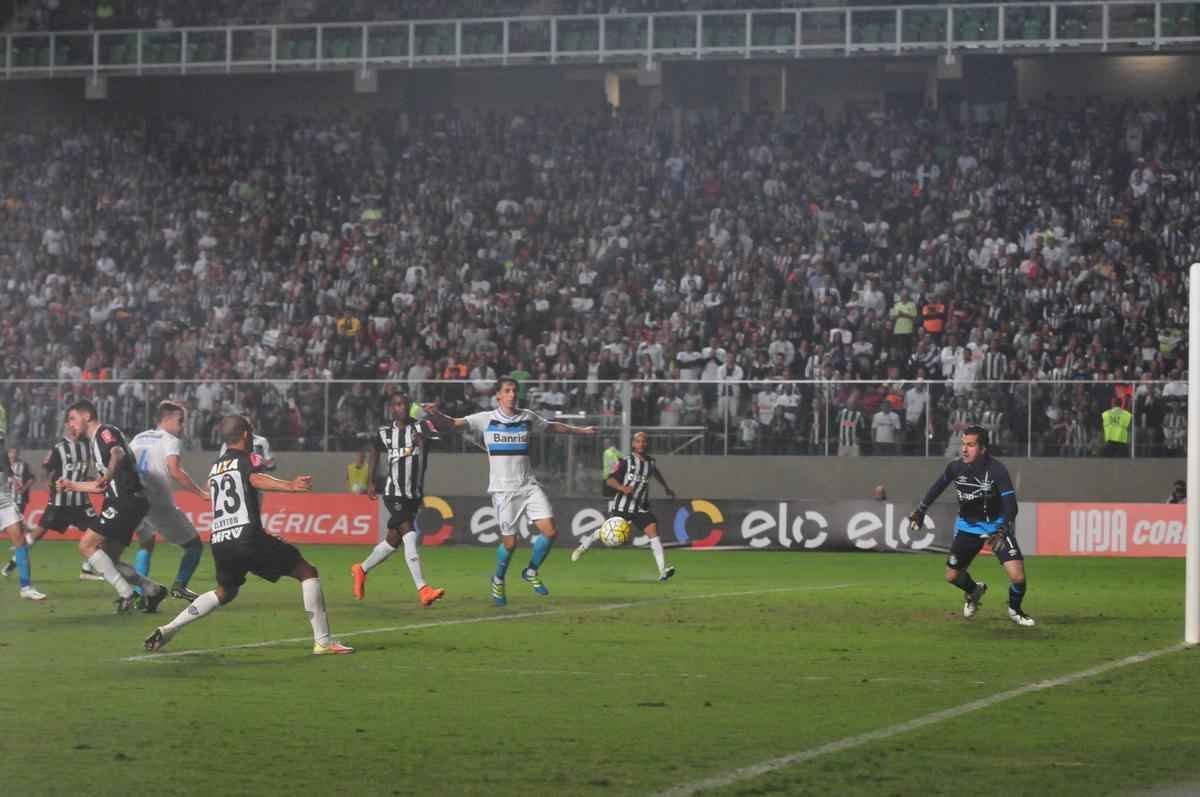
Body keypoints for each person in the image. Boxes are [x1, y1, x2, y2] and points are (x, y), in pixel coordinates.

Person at [144, 415, 353, 655]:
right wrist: (290, 486)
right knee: (307, 572)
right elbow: (255, 478)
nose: (253, 436)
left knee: (225, 592)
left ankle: (170, 627)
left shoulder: (215, 467)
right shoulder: (248, 458)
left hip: (220, 541)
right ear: (245, 434)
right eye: (251, 432)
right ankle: (324, 642)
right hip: (246, 536)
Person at [423, 377, 596, 606]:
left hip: (528, 486)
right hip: (503, 491)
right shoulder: (485, 419)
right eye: (507, 391)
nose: (512, 394)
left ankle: (531, 572)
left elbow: (552, 426)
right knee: (510, 544)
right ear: (498, 395)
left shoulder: (527, 417)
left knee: (551, 532)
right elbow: (452, 423)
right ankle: (498, 579)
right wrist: (435, 414)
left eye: (514, 390)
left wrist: (581, 430)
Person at [907, 425, 1035, 627]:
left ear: (983, 449)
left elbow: (1011, 506)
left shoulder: (997, 470)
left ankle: (1015, 610)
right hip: (968, 527)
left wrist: (1001, 530)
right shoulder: (955, 468)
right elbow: (937, 488)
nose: (964, 449)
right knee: (952, 576)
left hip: (995, 527)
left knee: (1018, 577)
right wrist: (921, 510)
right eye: (963, 444)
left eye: (971, 445)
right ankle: (974, 590)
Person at [59, 400, 168, 614]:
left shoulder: (104, 432)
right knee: (108, 560)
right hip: (125, 501)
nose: (70, 425)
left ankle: (126, 593)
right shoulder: (94, 443)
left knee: (86, 545)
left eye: (72, 419)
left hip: (124, 501)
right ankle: (152, 589)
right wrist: (72, 485)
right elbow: (100, 487)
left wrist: (107, 474)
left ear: (87, 416)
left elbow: (116, 452)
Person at [351, 392, 445, 607]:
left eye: (404, 404)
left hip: (414, 494)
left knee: (393, 540)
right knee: (409, 534)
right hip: (394, 492)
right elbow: (374, 451)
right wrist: (372, 481)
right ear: (391, 408)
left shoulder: (421, 427)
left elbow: (440, 436)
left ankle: (361, 569)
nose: (400, 408)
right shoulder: (384, 432)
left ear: (409, 406)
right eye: (396, 405)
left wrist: (433, 416)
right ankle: (423, 589)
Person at [128, 401, 209, 603]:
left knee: (146, 544)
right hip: (159, 503)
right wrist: (200, 493)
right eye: (180, 421)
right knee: (194, 546)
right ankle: (180, 586)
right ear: (167, 419)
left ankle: (138, 593)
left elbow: (125, 463)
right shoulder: (170, 439)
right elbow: (174, 470)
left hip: (135, 501)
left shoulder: (139, 437)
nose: (182, 426)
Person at [571, 430, 678, 581]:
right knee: (607, 531)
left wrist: (666, 488)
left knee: (653, 533)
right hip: (623, 505)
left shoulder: (650, 462)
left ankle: (663, 571)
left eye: (644, 441)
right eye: (638, 441)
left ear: (647, 443)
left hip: (641, 506)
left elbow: (655, 473)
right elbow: (609, 480)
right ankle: (583, 546)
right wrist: (622, 488)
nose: (641, 444)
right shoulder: (626, 461)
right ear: (634, 444)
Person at [2, 426, 97, 580]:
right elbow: (45, 471)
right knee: (37, 534)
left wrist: (91, 479)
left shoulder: (87, 445)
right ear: (66, 427)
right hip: (60, 501)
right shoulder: (59, 448)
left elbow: (85, 470)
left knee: (99, 531)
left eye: (76, 425)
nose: (74, 429)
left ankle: (86, 570)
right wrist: (51, 485)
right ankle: (14, 562)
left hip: (82, 501)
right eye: (71, 425)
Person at [0, 434, 46, 600]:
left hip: (4, 497)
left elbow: (4, 463)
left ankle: (25, 587)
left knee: (20, 540)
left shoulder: (2, 445)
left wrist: (13, 478)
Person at [7, 447, 33, 520]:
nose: (13, 455)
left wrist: (24, 489)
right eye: (11, 452)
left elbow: (31, 478)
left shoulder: (24, 465)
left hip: (20, 498)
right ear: (8, 454)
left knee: (18, 519)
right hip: (6, 498)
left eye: (15, 453)